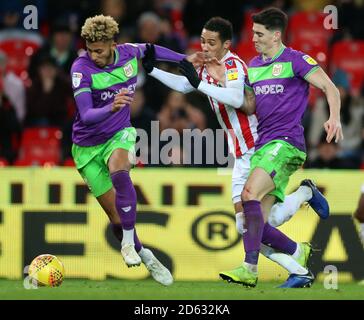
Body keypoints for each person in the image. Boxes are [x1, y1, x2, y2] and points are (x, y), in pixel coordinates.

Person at [141, 16, 329, 288]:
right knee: (258, 223)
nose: (205, 47)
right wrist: (153, 71)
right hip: (240, 153)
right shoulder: (207, 68)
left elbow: (237, 98)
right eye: (203, 41)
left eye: (212, 42)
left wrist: (198, 83)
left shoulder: (235, 66)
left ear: (226, 44)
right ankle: (301, 230)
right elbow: (185, 85)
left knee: (250, 223)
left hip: (258, 146)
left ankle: (290, 260)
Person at [70, 14, 202, 286]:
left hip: (120, 133)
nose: (94, 55)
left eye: (100, 50)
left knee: (120, 171)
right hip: (86, 148)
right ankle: (145, 254)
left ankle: (128, 245)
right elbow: (85, 114)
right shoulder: (81, 68)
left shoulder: (129, 53)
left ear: (113, 44)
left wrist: (183, 58)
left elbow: (152, 50)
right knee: (116, 219)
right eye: (90, 50)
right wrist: (112, 107)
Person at [217, 8, 343, 287]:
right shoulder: (253, 66)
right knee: (255, 225)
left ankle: (249, 269)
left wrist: (333, 117)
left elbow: (330, 88)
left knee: (249, 193)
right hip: (263, 146)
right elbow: (248, 105)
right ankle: (300, 261)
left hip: (286, 143)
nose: (254, 39)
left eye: (260, 34)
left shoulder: (296, 60)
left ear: (276, 36)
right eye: (253, 33)